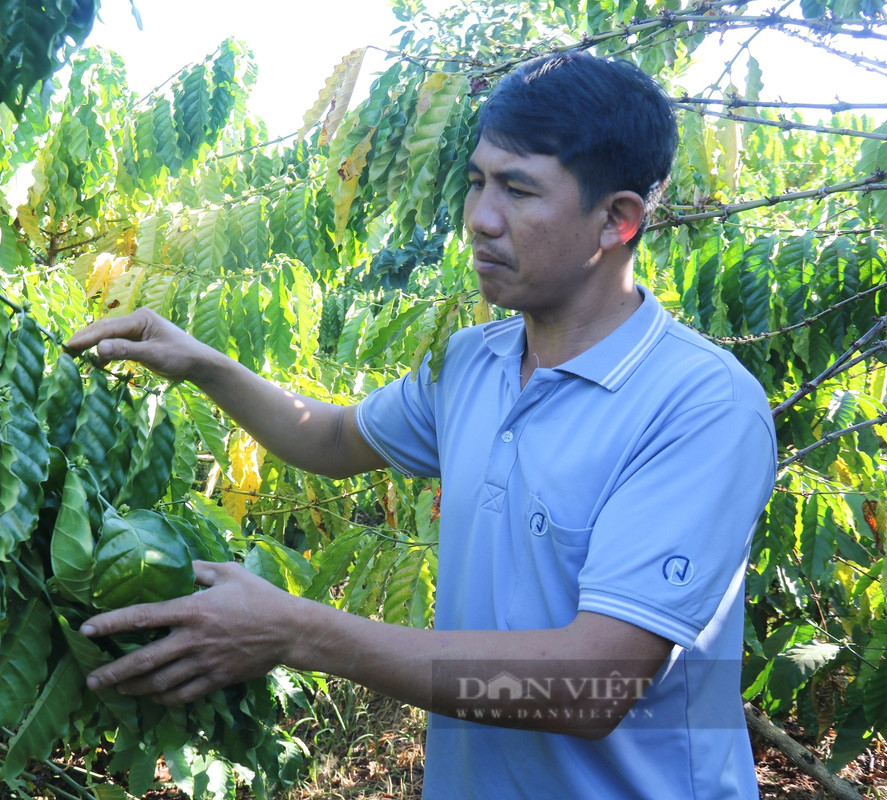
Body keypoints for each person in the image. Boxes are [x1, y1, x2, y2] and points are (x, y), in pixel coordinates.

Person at [66, 52, 775, 799]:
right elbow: (334, 438)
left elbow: (592, 685)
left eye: (518, 189)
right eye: (476, 181)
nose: (480, 218)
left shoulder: (699, 406)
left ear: (617, 220)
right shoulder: (474, 362)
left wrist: (297, 631)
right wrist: (203, 363)